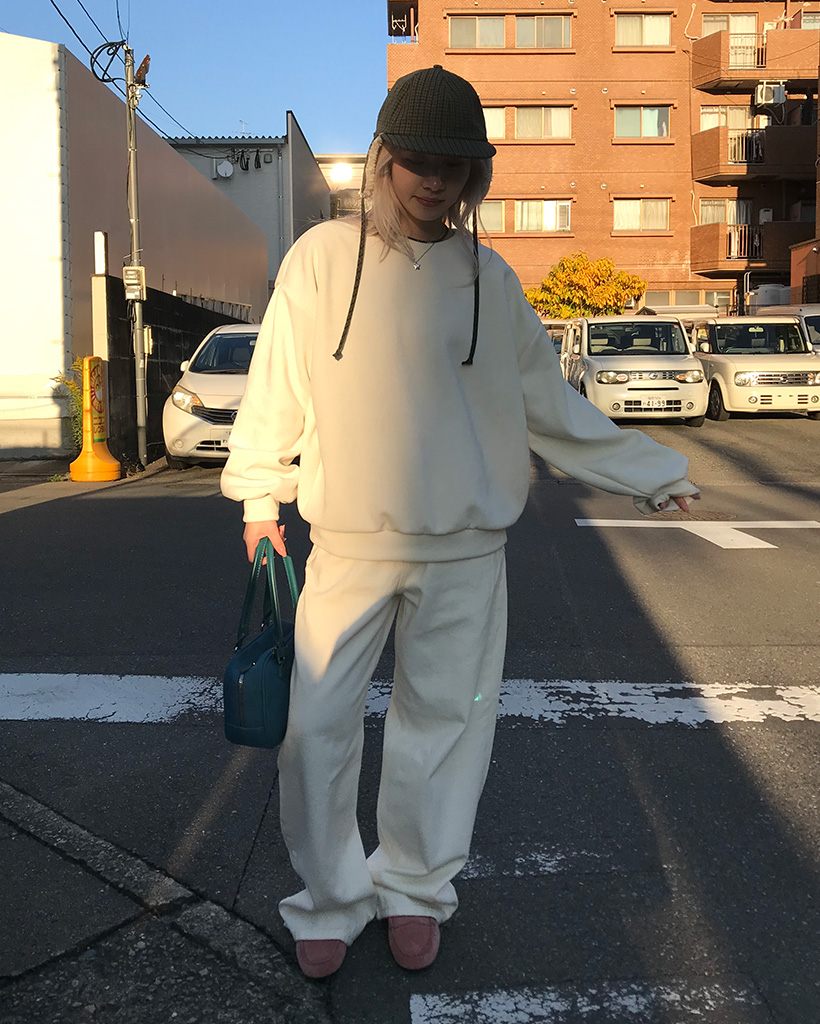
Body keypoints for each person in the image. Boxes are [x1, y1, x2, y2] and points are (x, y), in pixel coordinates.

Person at [221, 65, 700, 979]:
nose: (433, 180)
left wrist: (650, 475)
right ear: (384, 159)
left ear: (475, 173)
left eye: (454, 164)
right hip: (349, 544)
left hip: (469, 549)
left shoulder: (490, 276)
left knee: (446, 727)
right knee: (315, 731)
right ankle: (330, 897)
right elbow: (279, 382)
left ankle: (413, 889)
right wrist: (258, 497)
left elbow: (548, 406)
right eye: (416, 160)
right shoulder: (321, 257)